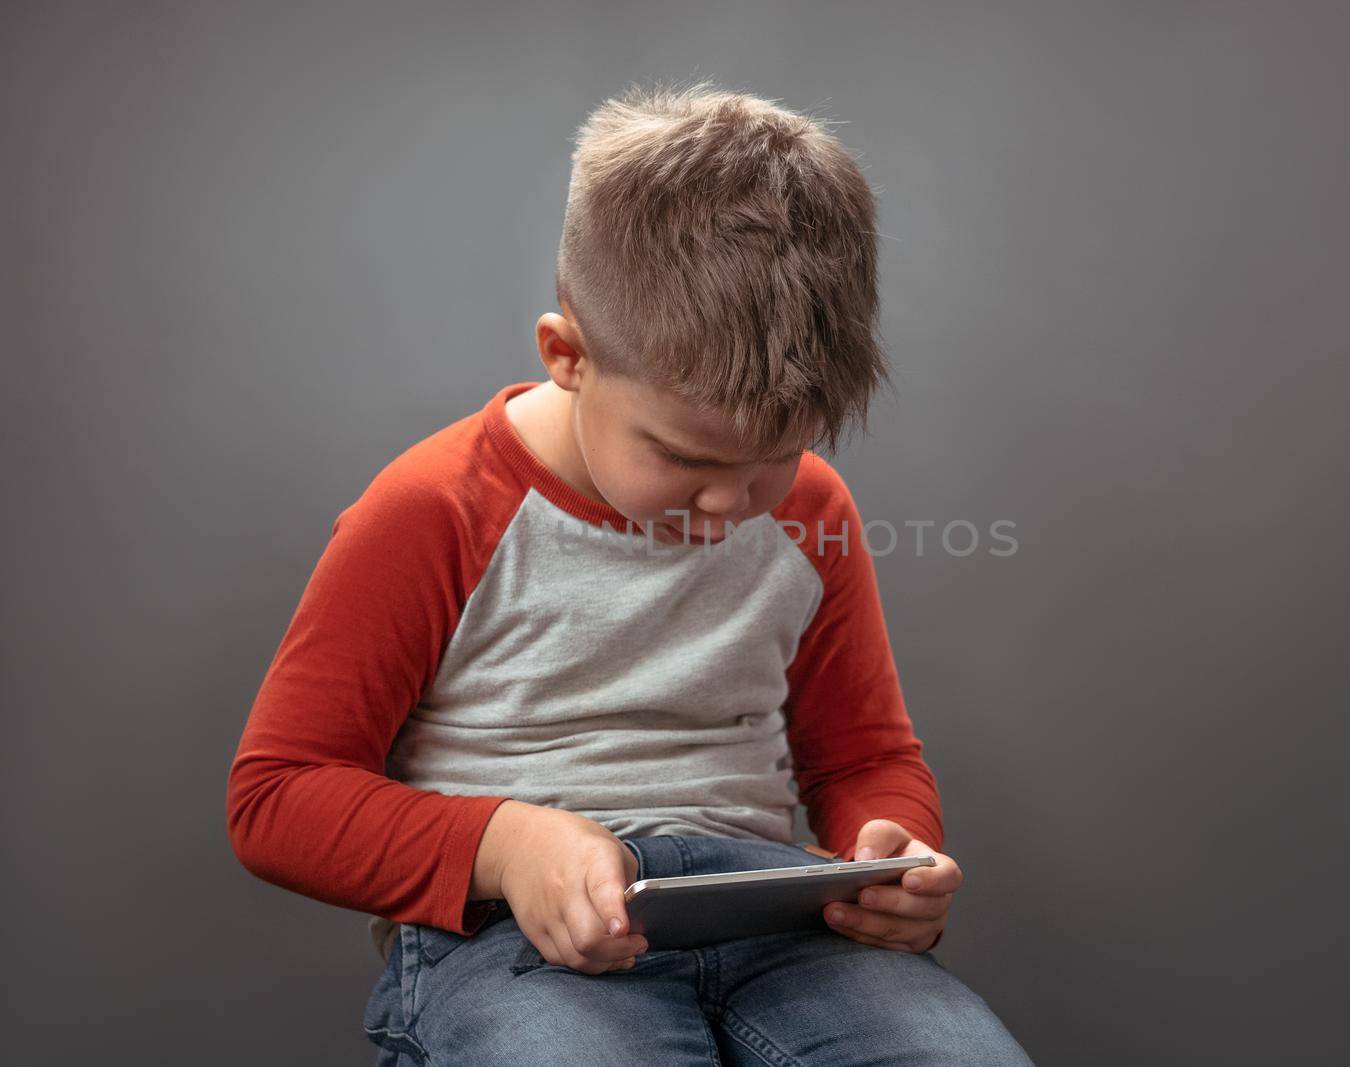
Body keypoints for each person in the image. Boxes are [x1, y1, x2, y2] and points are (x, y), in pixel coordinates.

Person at [225, 78, 1034, 1066]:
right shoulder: (438, 507)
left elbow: (862, 755)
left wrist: (890, 850)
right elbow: (277, 794)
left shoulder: (810, 508)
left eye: (774, 454)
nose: (734, 503)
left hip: (779, 923)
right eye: (688, 459)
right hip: (508, 937)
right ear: (567, 355)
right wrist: (507, 843)